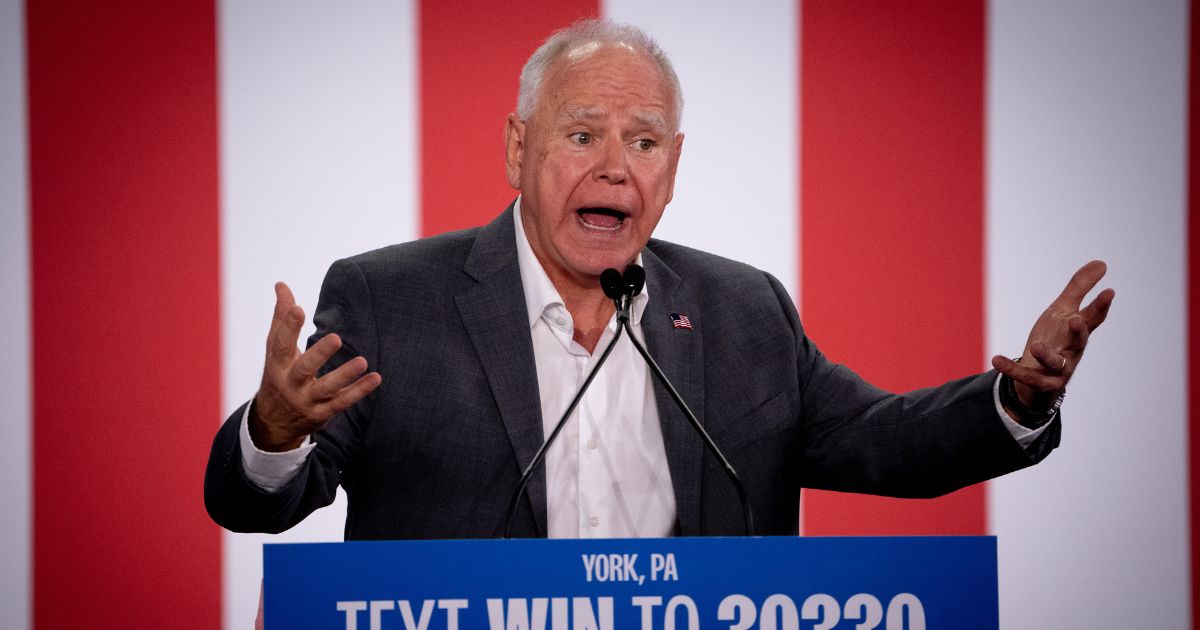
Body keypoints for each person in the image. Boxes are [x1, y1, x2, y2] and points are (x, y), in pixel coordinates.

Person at [204, 19, 1113, 539]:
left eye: (642, 142)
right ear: (519, 148)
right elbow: (255, 504)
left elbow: (884, 441)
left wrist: (1016, 403)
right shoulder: (389, 302)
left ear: (672, 168)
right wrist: (272, 434)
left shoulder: (744, 310)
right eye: (582, 133)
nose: (614, 168)